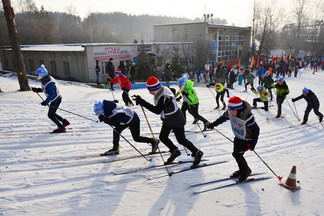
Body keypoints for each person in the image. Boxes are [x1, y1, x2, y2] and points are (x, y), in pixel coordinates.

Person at [132, 76, 204, 168]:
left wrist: (143, 102)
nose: (149, 92)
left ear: (154, 88)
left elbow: (157, 110)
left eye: (150, 90)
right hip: (168, 119)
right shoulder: (162, 89)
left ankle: (197, 152)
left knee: (181, 139)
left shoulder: (162, 96)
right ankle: (175, 151)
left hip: (176, 119)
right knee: (163, 137)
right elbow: (172, 91)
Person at [206, 96, 260, 182]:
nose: (232, 112)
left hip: (247, 139)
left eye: (234, 111)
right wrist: (213, 124)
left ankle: (246, 171)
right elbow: (222, 118)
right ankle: (242, 169)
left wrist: (253, 143)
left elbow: (256, 130)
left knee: (238, 154)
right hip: (238, 136)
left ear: (239, 109)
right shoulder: (230, 113)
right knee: (235, 154)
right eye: (230, 110)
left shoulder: (248, 117)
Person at [94, 100, 159, 156]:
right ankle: (115, 149)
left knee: (136, 138)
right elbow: (115, 102)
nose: (100, 115)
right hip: (127, 116)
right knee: (116, 131)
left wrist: (105, 120)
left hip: (133, 119)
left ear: (102, 110)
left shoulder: (115, 114)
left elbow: (116, 124)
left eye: (100, 114)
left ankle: (153, 141)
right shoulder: (108, 106)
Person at [31, 64, 70, 133]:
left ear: (41, 74)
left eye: (37, 75)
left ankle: (61, 127)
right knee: (52, 113)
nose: (36, 76)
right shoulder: (46, 80)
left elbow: (51, 93)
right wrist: (37, 90)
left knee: (50, 114)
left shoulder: (48, 82)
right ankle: (64, 122)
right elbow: (46, 89)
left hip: (56, 99)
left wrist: (46, 102)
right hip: (56, 99)